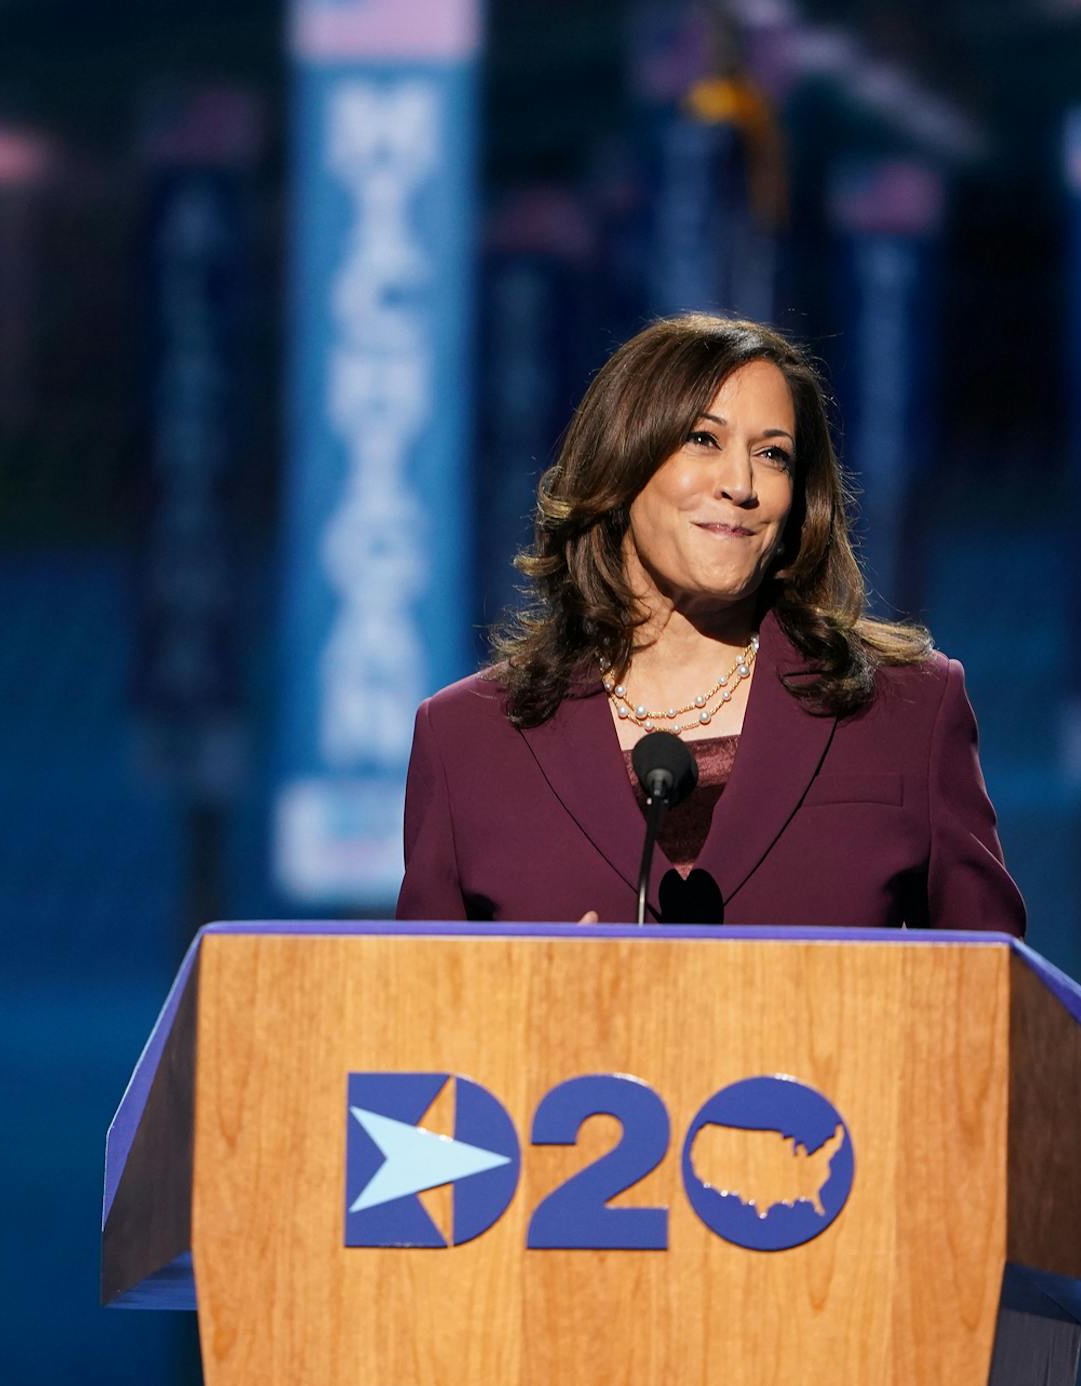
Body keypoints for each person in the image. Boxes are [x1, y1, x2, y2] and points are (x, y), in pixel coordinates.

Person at [395, 313, 1024, 932]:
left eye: (773, 454)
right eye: (704, 439)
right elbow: (419, 1023)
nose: (742, 484)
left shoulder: (907, 710)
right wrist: (538, 1017)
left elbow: (995, 1004)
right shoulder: (466, 742)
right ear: (621, 461)